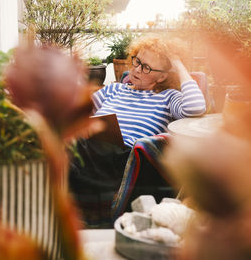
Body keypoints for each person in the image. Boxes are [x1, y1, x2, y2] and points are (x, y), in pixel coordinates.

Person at [68, 35, 206, 226]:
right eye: (137, 61)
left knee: (68, 149)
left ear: (162, 76)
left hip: (128, 160)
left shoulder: (167, 97)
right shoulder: (114, 90)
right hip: (91, 149)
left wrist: (177, 62)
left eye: (146, 67)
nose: (136, 69)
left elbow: (196, 107)